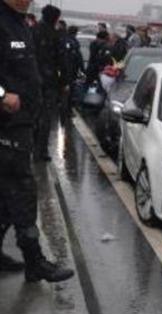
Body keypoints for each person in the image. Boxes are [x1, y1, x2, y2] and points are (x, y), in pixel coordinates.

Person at [0, 0, 74, 282]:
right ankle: (35, 262)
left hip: (24, 123)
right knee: (22, 191)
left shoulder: (21, 24)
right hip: (7, 125)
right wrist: (1, 94)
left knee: (6, 196)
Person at [33, 4, 64, 162]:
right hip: (49, 82)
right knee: (45, 118)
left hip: (32, 80)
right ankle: (41, 150)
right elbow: (61, 61)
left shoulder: (31, 31)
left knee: (33, 116)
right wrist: (64, 82)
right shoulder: (56, 35)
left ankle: (32, 148)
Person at [60, 24, 83, 116]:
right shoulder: (74, 43)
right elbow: (78, 57)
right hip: (71, 70)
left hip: (63, 69)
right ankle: (67, 110)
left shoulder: (63, 40)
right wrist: (82, 69)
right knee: (69, 91)